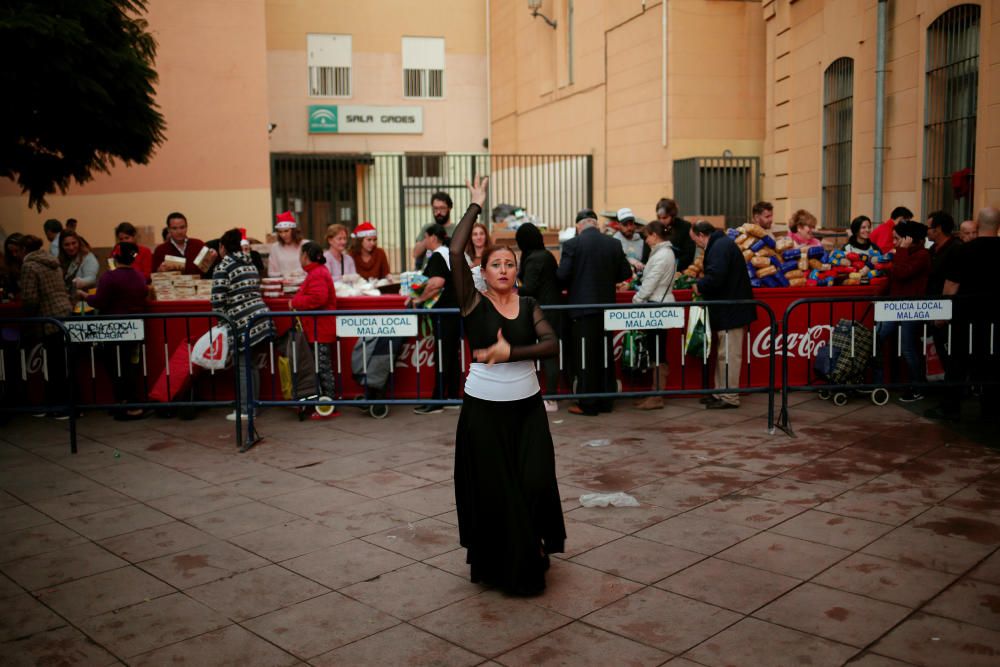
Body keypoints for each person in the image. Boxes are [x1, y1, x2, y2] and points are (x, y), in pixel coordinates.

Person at [449, 175, 565, 596]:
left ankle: (533, 544)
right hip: (483, 411)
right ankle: (505, 564)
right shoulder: (472, 302)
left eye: (509, 264)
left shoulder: (529, 304)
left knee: (534, 482)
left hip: (527, 409)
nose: (503, 269)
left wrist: (509, 354)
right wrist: (476, 204)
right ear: (482, 272)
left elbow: (551, 344)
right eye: (495, 264)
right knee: (496, 491)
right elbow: (455, 248)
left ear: (517, 271)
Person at [557, 208, 632, 416]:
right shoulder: (613, 244)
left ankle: (588, 403)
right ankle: (606, 401)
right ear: (596, 224)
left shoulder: (572, 244)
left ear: (578, 226)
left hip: (582, 309)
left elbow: (562, 275)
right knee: (605, 356)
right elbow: (625, 273)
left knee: (585, 357)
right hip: (607, 308)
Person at [690, 220, 756, 409]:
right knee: (723, 354)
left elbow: (716, 277)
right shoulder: (722, 244)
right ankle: (721, 393)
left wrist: (700, 285)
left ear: (702, 235)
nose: (697, 245)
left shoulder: (719, 247)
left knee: (728, 355)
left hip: (731, 309)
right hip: (729, 309)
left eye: (696, 241)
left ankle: (728, 396)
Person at [211, 228, 275, 421]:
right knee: (252, 365)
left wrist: (222, 321)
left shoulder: (223, 267)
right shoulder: (250, 264)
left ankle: (246, 410)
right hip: (260, 318)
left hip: (241, 321)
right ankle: (253, 406)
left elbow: (217, 300)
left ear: (222, 247)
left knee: (242, 366)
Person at [82, 242, 149, 420]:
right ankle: (131, 403)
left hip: (113, 329)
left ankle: (125, 404)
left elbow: (99, 301)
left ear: (115, 257)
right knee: (131, 367)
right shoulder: (139, 276)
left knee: (116, 367)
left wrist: (85, 296)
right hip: (135, 328)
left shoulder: (109, 277)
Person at [874, 221, 931, 403]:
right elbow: (893, 278)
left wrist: (901, 251)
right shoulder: (904, 253)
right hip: (895, 306)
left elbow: (901, 272)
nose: (894, 243)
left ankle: (917, 387)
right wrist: (877, 295)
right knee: (879, 338)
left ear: (908, 239)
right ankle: (878, 382)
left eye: (897, 239)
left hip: (911, 308)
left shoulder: (922, 255)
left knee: (908, 347)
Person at [19, 235, 73, 417]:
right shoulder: (53, 262)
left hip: (48, 316)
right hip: (64, 312)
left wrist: (27, 315)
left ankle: (56, 406)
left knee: (53, 364)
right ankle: (67, 405)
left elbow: (30, 298)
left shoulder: (29, 266)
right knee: (62, 362)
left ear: (23, 250)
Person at [411, 223, 461, 414]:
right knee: (450, 355)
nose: (424, 241)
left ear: (432, 237)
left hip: (444, 312)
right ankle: (452, 396)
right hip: (453, 311)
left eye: (425, 238)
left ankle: (438, 398)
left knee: (443, 354)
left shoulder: (438, 256)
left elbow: (437, 283)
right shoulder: (449, 254)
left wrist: (419, 300)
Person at [631, 220, 677, 410]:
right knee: (655, 348)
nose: (646, 240)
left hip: (657, 305)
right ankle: (654, 392)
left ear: (655, 236)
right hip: (659, 304)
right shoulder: (663, 253)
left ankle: (657, 395)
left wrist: (637, 299)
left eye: (647, 236)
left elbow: (650, 283)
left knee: (657, 350)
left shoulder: (662, 255)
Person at [516, 222, 561, 413]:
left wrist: (512, 284)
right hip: (550, 310)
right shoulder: (546, 255)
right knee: (549, 354)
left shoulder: (535, 259)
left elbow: (529, 287)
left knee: (546, 354)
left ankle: (550, 398)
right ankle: (549, 396)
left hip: (542, 313)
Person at [290, 241, 339, 419]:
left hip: (320, 329)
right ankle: (324, 404)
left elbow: (318, 298)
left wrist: (295, 303)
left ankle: (328, 406)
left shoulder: (317, 273)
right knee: (320, 367)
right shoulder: (316, 272)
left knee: (322, 368)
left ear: (305, 256)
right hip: (317, 328)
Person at [925, 211, 961, 380]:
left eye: (929, 228)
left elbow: (952, 282)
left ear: (938, 229)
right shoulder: (933, 249)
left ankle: (955, 393)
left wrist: (943, 313)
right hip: (934, 309)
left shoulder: (955, 248)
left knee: (951, 355)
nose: (927, 231)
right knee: (941, 351)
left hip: (947, 314)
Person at [413, 191, 453, 270]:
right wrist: (428, 239)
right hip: (427, 274)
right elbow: (415, 254)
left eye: (442, 208)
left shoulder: (457, 229)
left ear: (449, 208)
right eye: (435, 208)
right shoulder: (427, 228)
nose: (438, 212)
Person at [59, 230, 100, 302]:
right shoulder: (62, 259)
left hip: (86, 303)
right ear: (61, 246)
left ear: (79, 242)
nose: (71, 247)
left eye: (73, 243)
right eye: (66, 245)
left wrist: (78, 283)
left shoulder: (88, 258)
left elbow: (92, 279)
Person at [655, 198, 695, 271]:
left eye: (665, 218)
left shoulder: (685, 227)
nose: (661, 221)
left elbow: (689, 254)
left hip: (681, 269)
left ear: (672, 215)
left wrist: (673, 265)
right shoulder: (656, 228)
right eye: (659, 218)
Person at [268, 211, 307, 278]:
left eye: (286, 231)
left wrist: (300, 273)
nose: (283, 235)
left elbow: (313, 269)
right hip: (283, 285)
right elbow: (271, 273)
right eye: (280, 232)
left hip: (303, 284)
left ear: (293, 230)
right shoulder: (275, 247)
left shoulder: (305, 245)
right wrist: (283, 274)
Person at [613, 208, 645, 272]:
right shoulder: (614, 241)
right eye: (625, 225)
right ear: (618, 224)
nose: (629, 228)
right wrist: (630, 260)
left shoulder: (642, 240)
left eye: (631, 224)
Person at [1, 232, 25, 298]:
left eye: (16, 251)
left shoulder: (32, 264)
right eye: (10, 252)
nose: (14, 255)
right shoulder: (9, 265)